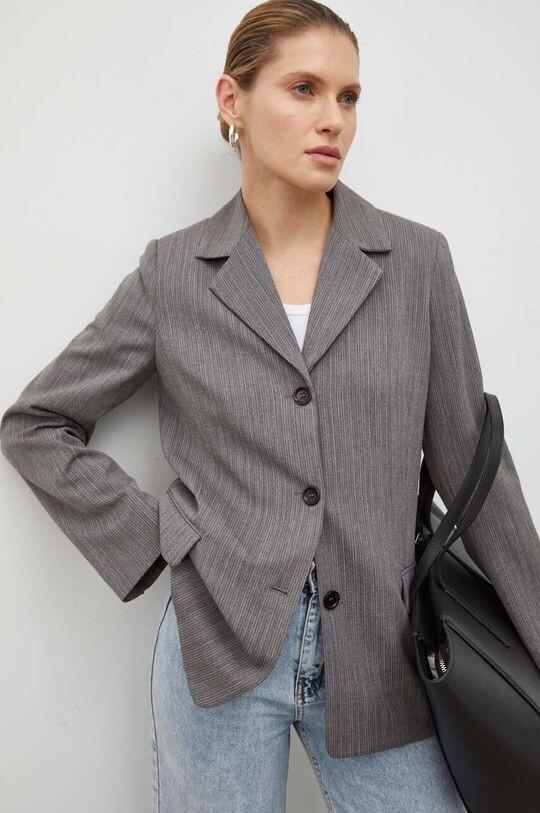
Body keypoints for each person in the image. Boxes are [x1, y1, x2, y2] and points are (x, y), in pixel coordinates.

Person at [3, 1, 539, 810]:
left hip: (385, 655)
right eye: (304, 89)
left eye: (348, 97)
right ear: (233, 101)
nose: (333, 119)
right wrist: (161, 540)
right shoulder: (175, 273)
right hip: (216, 651)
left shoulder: (416, 263)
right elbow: (37, 424)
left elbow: (476, 475)